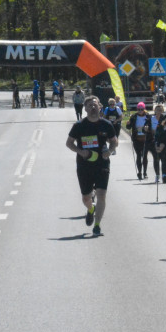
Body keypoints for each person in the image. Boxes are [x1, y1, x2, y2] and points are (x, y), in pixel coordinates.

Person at [65, 95, 119, 236]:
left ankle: (97, 225)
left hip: (102, 163)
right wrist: (80, 151)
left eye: (95, 105)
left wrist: (110, 151)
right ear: (85, 109)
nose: (93, 107)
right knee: (86, 197)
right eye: (89, 105)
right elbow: (69, 143)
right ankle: (90, 209)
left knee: (101, 194)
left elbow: (114, 141)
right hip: (84, 165)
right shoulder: (79, 126)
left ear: (100, 106)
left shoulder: (106, 124)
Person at [125, 102, 155, 180]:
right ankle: (139, 172)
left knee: (144, 156)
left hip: (146, 138)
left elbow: (152, 126)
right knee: (138, 155)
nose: (140, 111)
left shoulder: (148, 116)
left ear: (144, 109)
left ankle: (145, 172)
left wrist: (148, 128)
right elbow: (128, 127)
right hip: (137, 138)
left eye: (142, 109)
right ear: (137, 109)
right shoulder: (134, 117)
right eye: (139, 109)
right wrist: (128, 124)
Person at [147, 104, 164, 181]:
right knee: (156, 159)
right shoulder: (151, 119)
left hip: (164, 141)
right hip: (154, 141)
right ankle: (157, 175)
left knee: (164, 160)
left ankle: (164, 175)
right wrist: (147, 129)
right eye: (157, 110)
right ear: (155, 111)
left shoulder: (165, 119)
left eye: (160, 110)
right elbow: (146, 127)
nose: (159, 112)